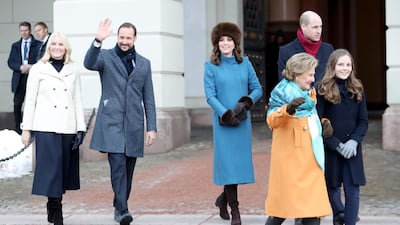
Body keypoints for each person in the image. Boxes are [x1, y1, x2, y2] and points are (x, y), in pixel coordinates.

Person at [84, 18, 157, 225]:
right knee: (117, 165)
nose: (124, 41)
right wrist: (98, 39)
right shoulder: (105, 57)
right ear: (117, 37)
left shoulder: (144, 63)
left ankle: (119, 205)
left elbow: (149, 97)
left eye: (128, 38)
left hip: (134, 125)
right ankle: (123, 210)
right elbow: (88, 63)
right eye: (121, 37)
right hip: (112, 122)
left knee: (128, 170)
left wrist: (151, 127)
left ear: (135, 38)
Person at [20, 32, 86, 225]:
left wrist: (80, 128)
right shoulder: (38, 69)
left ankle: (54, 203)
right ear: (48, 47)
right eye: (53, 44)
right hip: (45, 126)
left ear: (66, 48)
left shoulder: (73, 69)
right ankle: (56, 208)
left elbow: (77, 100)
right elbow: (30, 100)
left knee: (63, 169)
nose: (57, 47)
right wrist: (26, 129)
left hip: (67, 125)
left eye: (60, 44)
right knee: (51, 169)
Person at [204, 22, 263, 225]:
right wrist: (226, 113)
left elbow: (257, 89)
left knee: (235, 168)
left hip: (242, 122)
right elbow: (210, 96)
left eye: (229, 39)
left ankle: (222, 200)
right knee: (228, 166)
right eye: (222, 40)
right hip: (223, 124)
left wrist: (243, 104)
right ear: (216, 43)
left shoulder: (245, 63)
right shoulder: (210, 66)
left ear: (235, 42)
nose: (226, 43)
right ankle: (235, 210)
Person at [264, 53, 332, 225]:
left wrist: (323, 124)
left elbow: (310, 116)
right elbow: (271, 120)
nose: (313, 78)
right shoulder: (282, 91)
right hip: (291, 161)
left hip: (311, 158)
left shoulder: (309, 92)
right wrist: (288, 109)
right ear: (297, 73)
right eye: (310, 74)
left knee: (313, 210)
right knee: (281, 211)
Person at [316, 49, 368, 225]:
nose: (345, 68)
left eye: (348, 64)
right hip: (332, 148)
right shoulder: (322, 89)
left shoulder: (357, 88)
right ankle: (339, 213)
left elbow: (363, 121)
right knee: (332, 188)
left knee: (353, 190)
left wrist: (354, 142)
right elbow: (319, 123)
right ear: (332, 66)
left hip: (352, 149)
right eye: (341, 64)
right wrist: (337, 145)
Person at [277, 10, 333, 84]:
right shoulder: (286, 51)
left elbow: (332, 77)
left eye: (320, 27)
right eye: (315, 27)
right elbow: (284, 82)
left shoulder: (328, 49)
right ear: (303, 27)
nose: (319, 31)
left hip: (323, 94)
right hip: (298, 95)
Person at [7, 21, 41, 134]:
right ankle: (18, 129)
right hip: (19, 77)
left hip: (33, 76)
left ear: (30, 31)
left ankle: (34, 129)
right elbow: (10, 62)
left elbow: (42, 60)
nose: (24, 33)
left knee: (33, 103)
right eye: (21, 30)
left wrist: (31, 67)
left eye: (26, 30)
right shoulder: (15, 45)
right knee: (17, 103)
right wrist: (20, 67)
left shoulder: (38, 44)